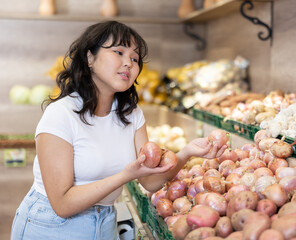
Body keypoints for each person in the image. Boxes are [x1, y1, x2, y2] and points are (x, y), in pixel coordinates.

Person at [10, 20, 227, 240]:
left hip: (103, 223)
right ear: (89, 58)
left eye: (134, 58)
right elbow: (62, 204)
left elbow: (150, 182)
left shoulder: (130, 114)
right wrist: (125, 175)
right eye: (119, 52)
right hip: (50, 226)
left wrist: (186, 152)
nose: (129, 63)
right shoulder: (60, 114)